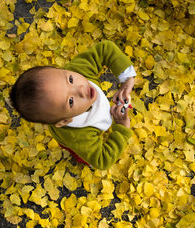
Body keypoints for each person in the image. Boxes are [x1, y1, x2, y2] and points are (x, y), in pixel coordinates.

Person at [10, 40, 136, 169]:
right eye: (70, 101)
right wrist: (122, 128)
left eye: (70, 80)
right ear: (65, 120)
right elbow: (102, 160)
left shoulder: (78, 69)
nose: (81, 89)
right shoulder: (79, 136)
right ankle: (82, 159)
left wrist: (127, 79)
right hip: (70, 140)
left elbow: (105, 49)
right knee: (81, 154)